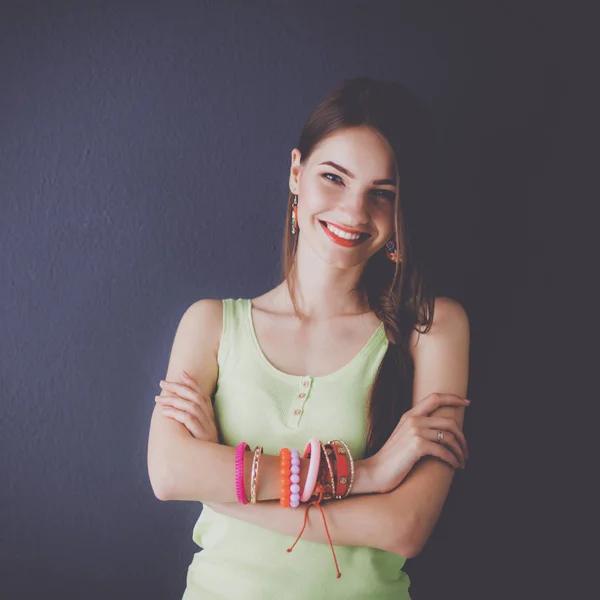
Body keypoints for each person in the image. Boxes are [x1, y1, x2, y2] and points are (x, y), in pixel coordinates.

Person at [147, 76, 471, 600]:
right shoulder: (209, 324)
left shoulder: (432, 328)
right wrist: (362, 476)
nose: (353, 212)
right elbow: (166, 473)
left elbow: (405, 527)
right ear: (296, 173)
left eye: (381, 194)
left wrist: (220, 486)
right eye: (333, 177)